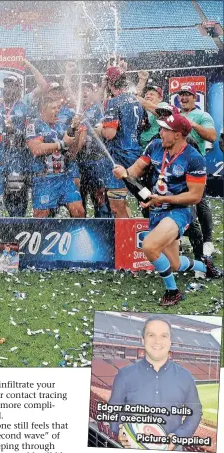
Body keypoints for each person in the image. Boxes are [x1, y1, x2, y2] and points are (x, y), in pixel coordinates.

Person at [112, 113, 220, 306]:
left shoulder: (194, 158)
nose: (160, 132)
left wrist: (162, 198)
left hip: (180, 210)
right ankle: (205, 266)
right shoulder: (154, 146)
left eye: (164, 129)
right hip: (157, 210)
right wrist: (125, 174)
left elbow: (195, 197)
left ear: (178, 134)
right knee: (174, 264)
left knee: (149, 246)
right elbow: (135, 170)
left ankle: (173, 292)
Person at [108, 316, 202, 451]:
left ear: (170, 342)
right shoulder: (124, 375)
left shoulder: (185, 377)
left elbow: (195, 412)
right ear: (143, 340)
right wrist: (120, 429)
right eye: (151, 335)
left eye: (164, 336)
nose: (157, 341)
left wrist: (178, 436)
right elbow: (113, 410)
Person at [25, 97, 85, 218]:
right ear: (42, 109)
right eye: (53, 108)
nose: (57, 111)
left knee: (79, 211)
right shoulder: (33, 125)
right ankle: (41, 237)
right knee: (41, 216)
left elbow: (73, 152)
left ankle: (79, 236)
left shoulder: (61, 126)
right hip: (44, 179)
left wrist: (75, 131)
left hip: (64, 177)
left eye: (58, 108)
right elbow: (36, 149)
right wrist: (62, 144)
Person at [177, 84, 217, 259]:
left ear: (195, 97)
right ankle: (183, 237)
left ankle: (207, 241)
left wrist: (192, 124)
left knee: (200, 202)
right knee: (179, 202)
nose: (184, 98)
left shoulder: (203, 115)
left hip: (195, 164)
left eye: (188, 95)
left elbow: (212, 136)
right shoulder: (176, 114)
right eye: (182, 95)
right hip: (176, 165)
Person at [99, 66, 145, 218]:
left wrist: (99, 128)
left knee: (117, 207)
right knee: (144, 197)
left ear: (110, 84)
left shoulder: (114, 102)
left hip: (119, 158)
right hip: (136, 155)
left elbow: (109, 133)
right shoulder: (135, 100)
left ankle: (127, 241)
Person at [76, 82, 111, 218]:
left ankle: (103, 229)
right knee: (79, 200)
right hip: (79, 162)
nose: (84, 92)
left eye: (88, 89)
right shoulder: (75, 110)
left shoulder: (100, 108)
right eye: (82, 89)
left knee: (100, 199)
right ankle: (81, 230)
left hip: (97, 161)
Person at [1, 75, 33, 217]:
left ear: (18, 89)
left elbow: (32, 136)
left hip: (19, 159)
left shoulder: (25, 109)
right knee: (4, 195)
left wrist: (16, 131)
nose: (8, 89)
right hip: (0, 159)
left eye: (12, 86)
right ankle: (9, 226)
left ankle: (19, 224)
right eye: (6, 85)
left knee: (18, 195)